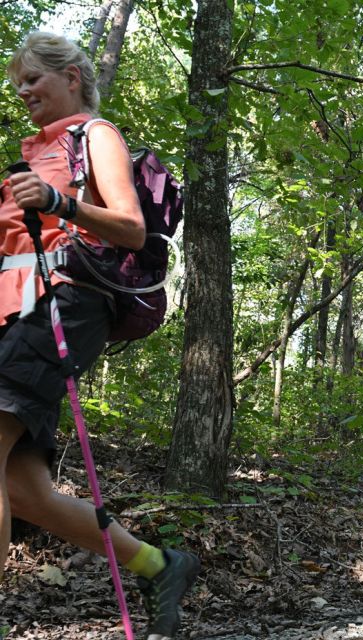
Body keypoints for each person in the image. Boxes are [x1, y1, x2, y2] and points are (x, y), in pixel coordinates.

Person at [1, 32, 199, 638]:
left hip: (59, 306)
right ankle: (158, 563)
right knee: (24, 491)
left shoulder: (95, 135)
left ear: (73, 78)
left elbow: (132, 229)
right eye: (18, 85)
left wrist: (61, 201)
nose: (24, 92)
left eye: (34, 78)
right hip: (15, 313)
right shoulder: (30, 153)